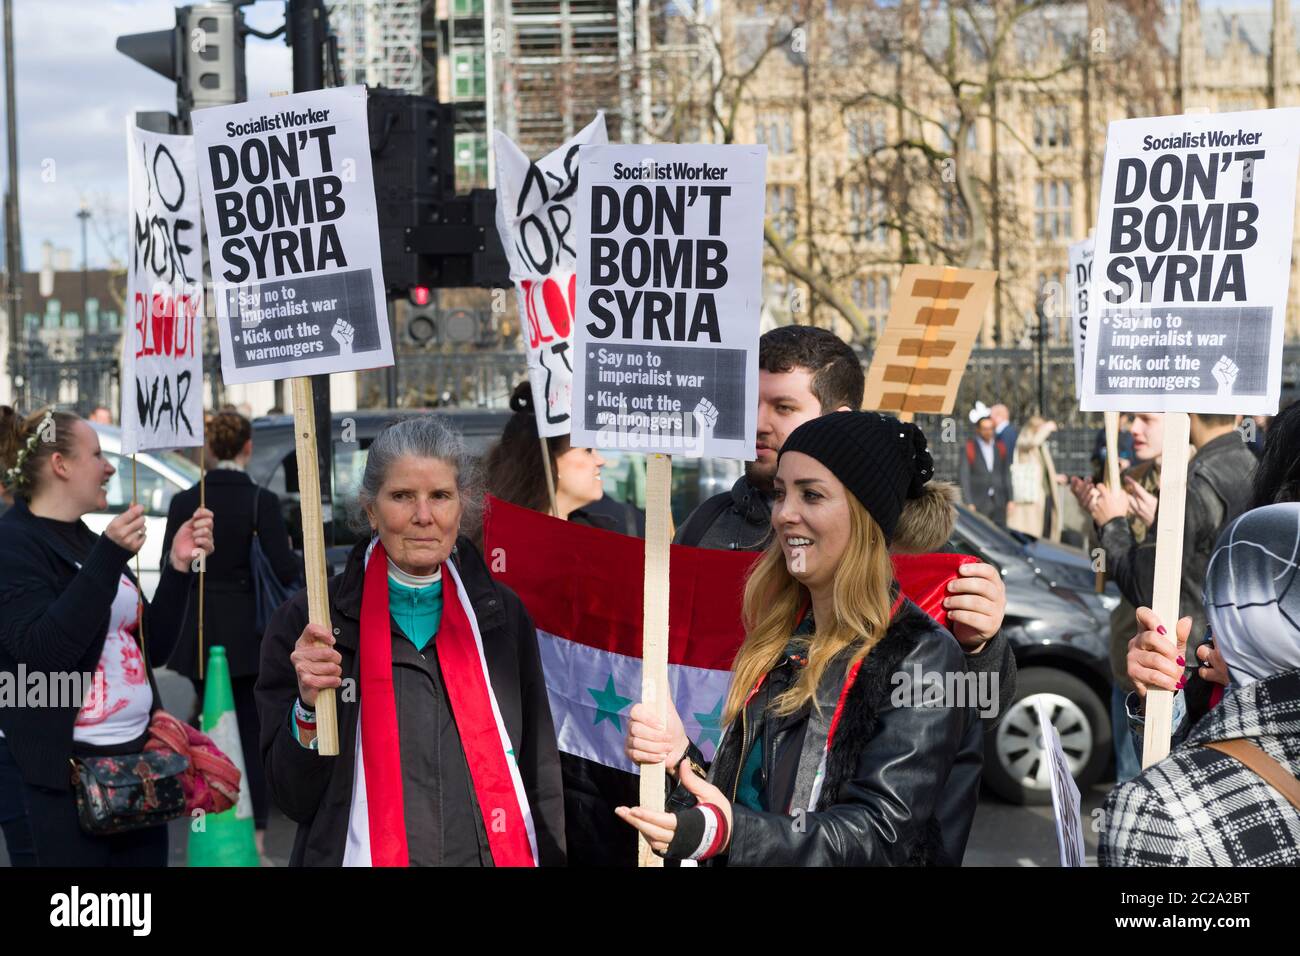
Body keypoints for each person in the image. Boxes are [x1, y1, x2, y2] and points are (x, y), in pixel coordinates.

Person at [617, 412, 984, 865]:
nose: (784, 514)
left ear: (864, 515)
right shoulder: (781, 636)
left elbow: (880, 834)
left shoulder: (922, 655)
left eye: (811, 494)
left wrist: (730, 832)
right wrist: (680, 761)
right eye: (780, 493)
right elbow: (754, 799)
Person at [255, 415, 566, 866]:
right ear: (370, 509)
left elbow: (540, 775)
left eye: (440, 496)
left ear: (464, 505)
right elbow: (294, 799)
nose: (423, 516)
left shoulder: (499, 616)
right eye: (402, 496)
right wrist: (307, 708)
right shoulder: (312, 624)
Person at [674, 326, 1014, 693]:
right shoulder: (708, 525)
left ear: (839, 421)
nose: (757, 424)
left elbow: (968, 713)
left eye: (783, 407)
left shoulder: (903, 543)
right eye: (749, 404)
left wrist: (980, 648)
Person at [0, 406, 213, 866]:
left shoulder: (84, 536)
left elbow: (149, 648)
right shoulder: (14, 543)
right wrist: (109, 556)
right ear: (61, 465)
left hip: (138, 769)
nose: (110, 466)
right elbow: (41, 655)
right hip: (65, 781)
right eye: (97, 454)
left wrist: (178, 567)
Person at [1101, 503, 1300, 866]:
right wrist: (1162, 700)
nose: (1208, 641)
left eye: (1221, 611)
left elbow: (1191, 796)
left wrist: (1251, 680)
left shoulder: (1154, 813)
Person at [162, 410, 300, 859]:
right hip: (250, 634)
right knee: (250, 731)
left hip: (197, 629)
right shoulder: (261, 500)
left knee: (205, 731)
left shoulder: (186, 499)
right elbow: (283, 569)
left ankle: (204, 822)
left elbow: (173, 563)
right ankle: (256, 839)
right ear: (247, 447)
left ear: (209, 448)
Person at [1086, 413, 1256, 733]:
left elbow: (1149, 586)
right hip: (1220, 668)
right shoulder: (1251, 464)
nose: (1134, 428)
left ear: (1185, 412)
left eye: (1147, 418)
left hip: (1188, 671)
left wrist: (1113, 524)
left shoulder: (1193, 481)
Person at [484, 381, 640, 534]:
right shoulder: (499, 545)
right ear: (549, 463)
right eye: (587, 450)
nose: (601, 461)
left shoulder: (601, 538)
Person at [1005, 415, 1061, 540]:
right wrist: (1046, 428)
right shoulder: (1024, 442)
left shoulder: (1040, 446)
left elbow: (1042, 468)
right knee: (1031, 532)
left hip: (1045, 494)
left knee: (1046, 529)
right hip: (1030, 497)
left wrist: (1055, 477)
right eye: (1040, 428)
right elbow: (1033, 442)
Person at [959, 414, 1012, 527]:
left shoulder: (1000, 447)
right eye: (985, 429)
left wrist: (1010, 499)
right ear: (978, 430)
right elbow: (964, 476)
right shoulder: (970, 447)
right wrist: (968, 502)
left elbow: (1006, 474)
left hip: (999, 501)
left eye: (991, 428)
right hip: (978, 501)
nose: (988, 432)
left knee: (1000, 532)